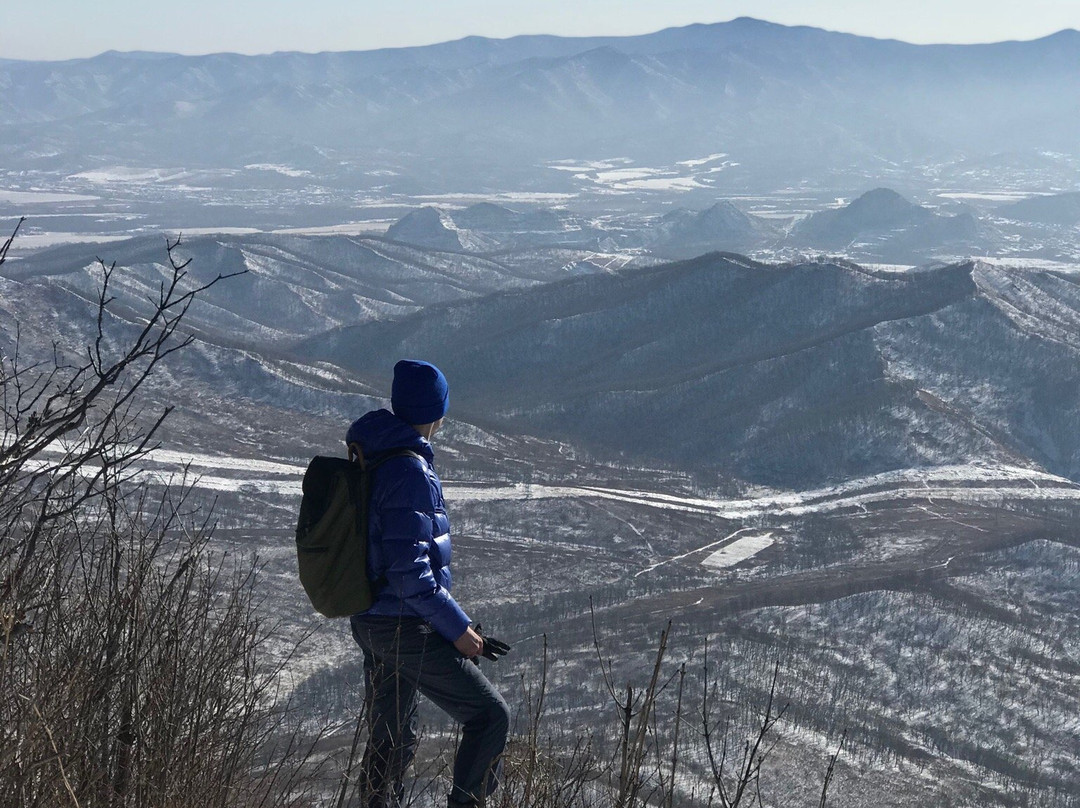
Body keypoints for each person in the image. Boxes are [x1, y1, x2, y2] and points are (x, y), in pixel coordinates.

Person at [346, 359, 510, 808]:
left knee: (392, 738)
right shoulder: (410, 471)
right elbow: (409, 573)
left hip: (372, 620)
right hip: (400, 624)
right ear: (437, 410)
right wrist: (458, 631)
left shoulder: (376, 454)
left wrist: (460, 626)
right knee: (490, 716)